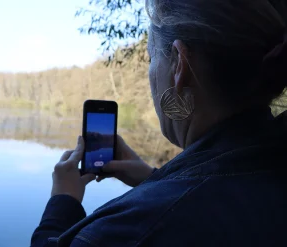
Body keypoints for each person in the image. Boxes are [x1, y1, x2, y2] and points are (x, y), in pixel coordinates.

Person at [31, 0, 287, 246]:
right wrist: (153, 178)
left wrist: (63, 199)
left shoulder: (126, 230)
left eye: (152, 57)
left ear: (178, 64)